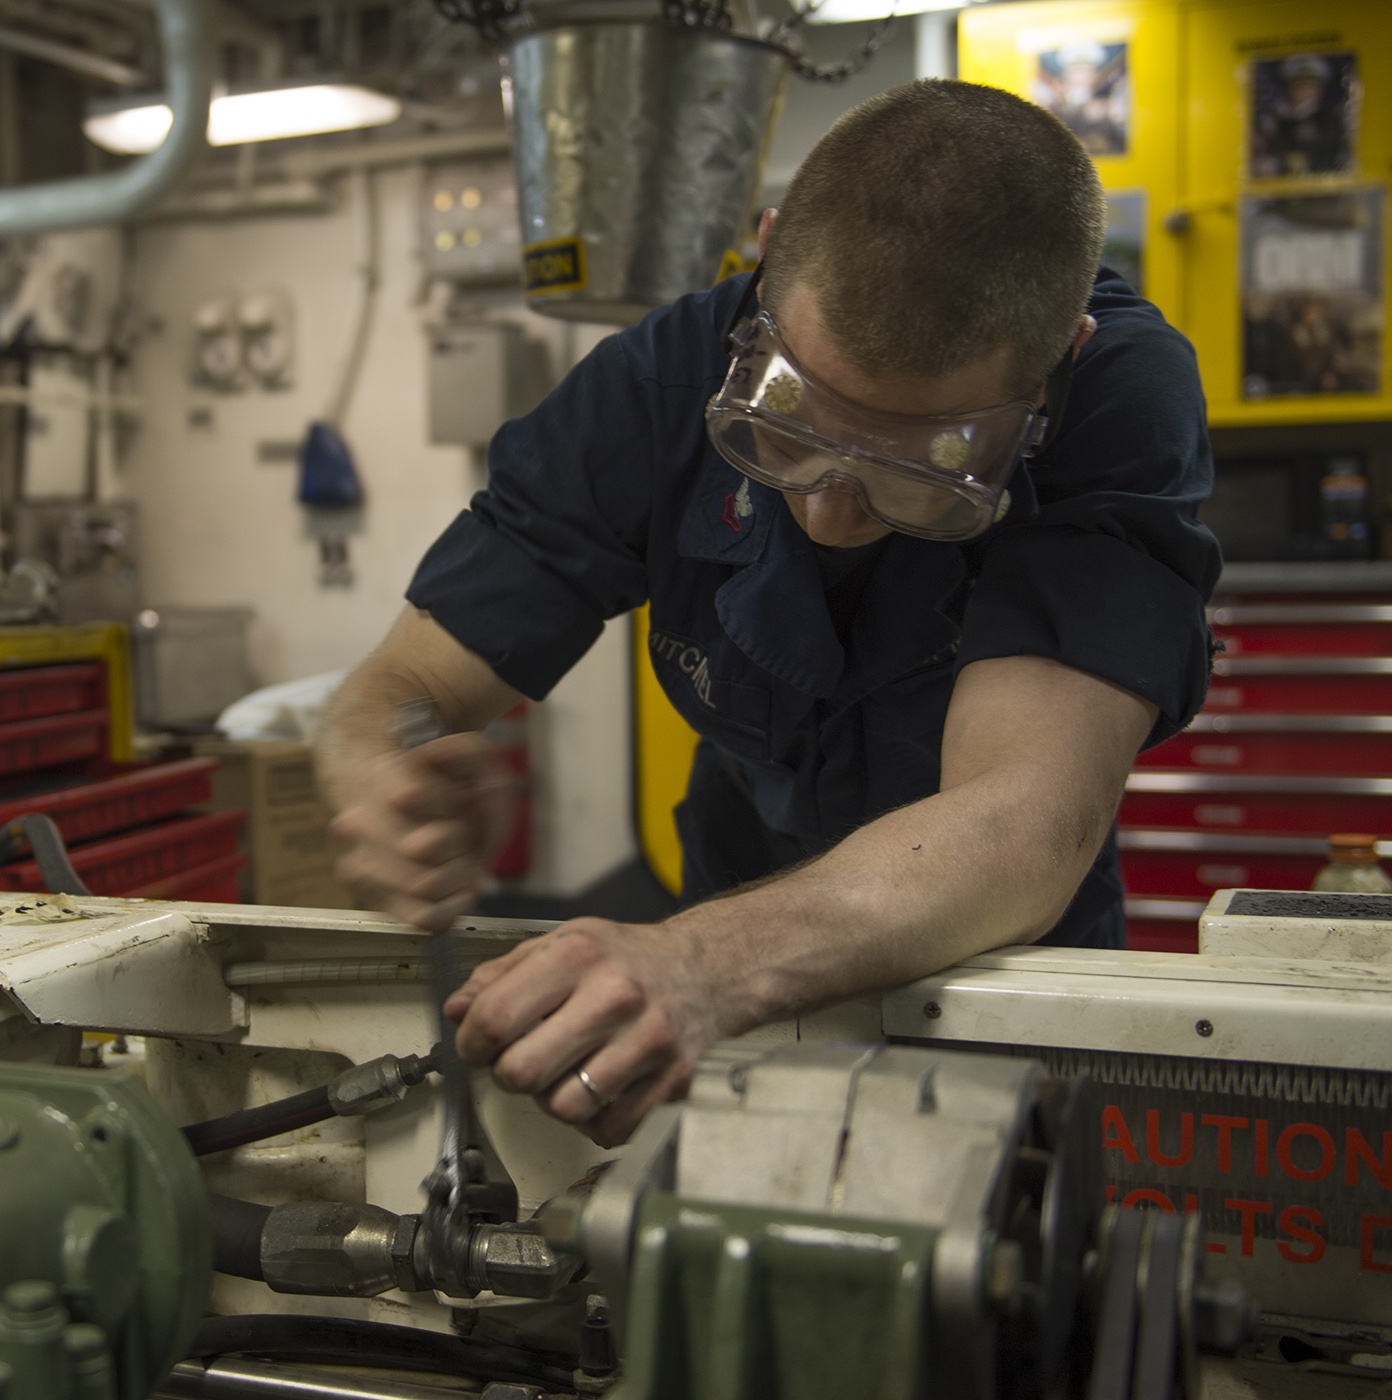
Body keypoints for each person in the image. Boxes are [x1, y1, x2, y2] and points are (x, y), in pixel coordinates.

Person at [316, 80, 1220, 1147]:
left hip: (996, 967)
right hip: (734, 916)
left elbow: (1023, 815)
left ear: (1053, 364)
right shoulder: (666, 372)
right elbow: (401, 686)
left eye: (923, 465)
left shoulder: (1117, 394)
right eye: (790, 423)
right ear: (768, 252)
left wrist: (699, 962)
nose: (831, 513)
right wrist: (384, 773)